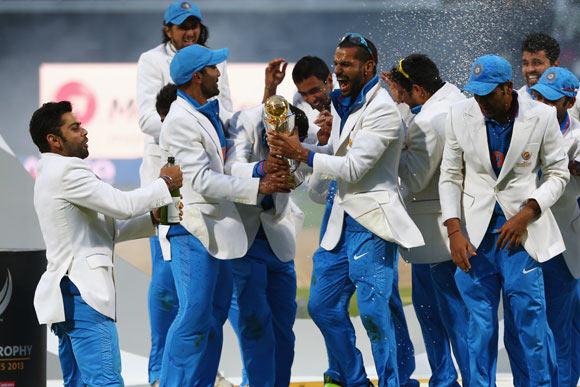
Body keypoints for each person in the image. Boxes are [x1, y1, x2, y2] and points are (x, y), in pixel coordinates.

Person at [267, 33, 424, 386]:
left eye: (346, 64)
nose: (338, 70)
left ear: (368, 66)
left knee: (373, 311)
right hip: (338, 221)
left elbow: (353, 168)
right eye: (336, 63)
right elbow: (332, 164)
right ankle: (354, 378)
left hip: (372, 223)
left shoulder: (383, 110)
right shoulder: (340, 106)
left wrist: (302, 152)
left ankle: (393, 381)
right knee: (322, 307)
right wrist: (310, 147)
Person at [157, 44, 291, 386]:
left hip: (215, 233)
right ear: (197, 76)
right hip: (192, 230)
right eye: (214, 68)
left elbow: (247, 124)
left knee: (212, 317)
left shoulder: (204, 111)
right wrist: (258, 187)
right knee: (194, 317)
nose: (220, 73)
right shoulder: (179, 122)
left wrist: (269, 92)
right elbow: (201, 180)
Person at [30, 101, 182, 386]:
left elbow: (106, 231)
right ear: (54, 140)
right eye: (74, 128)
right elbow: (122, 205)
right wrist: (164, 183)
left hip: (69, 296)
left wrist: (152, 219)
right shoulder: (67, 171)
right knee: (105, 382)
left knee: (81, 383)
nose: (84, 132)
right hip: (83, 295)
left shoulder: (52, 172)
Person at [439, 54, 569, 386]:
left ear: (507, 88)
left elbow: (558, 173)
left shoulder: (540, 116)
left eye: (487, 94)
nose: (480, 101)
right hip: (475, 237)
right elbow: (450, 176)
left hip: (522, 237)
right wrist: (454, 230)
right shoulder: (459, 114)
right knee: (479, 328)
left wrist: (527, 213)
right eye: (476, 93)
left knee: (529, 324)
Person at [135, 2, 232, 384]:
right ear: (167, 30)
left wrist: (196, 129)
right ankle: (161, 371)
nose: (189, 31)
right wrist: (186, 126)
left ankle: (197, 371)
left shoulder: (209, 65)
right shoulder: (150, 61)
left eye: (194, 25)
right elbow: (147, 119)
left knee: (206, 296)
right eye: (181, 26)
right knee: (166, 287)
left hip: (201, 178)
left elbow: (223, 111)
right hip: (166, 185)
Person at [386, 53, 470, 386]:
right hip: (448, 227)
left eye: (404, 93)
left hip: (433, 233)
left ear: (419, 90)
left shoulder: (428, 120)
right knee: (453, 315)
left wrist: (388, 155)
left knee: (441, 315)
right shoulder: (456, 100)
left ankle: (450, 380)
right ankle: (463, 379)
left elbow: (414, 178)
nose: (400, 99)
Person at [503, 67, 580, 387]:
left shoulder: (577, 135)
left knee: (559, 326)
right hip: (525, 235)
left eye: (551, 100)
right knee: (519, 327)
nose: (542, 104)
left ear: (569, 101)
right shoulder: (521, 127)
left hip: (562, 240)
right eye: (537, 97)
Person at [224, 96, 307, 386]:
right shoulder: (243, 123)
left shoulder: (295, 124)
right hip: (243, 239)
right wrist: (261, 170)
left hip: (278, 238)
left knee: (284, 327)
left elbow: (300, 176)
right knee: (255, 324)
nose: (283, 136)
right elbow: (230, 168)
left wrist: (295, 163)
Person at [518, 32, 580, 119]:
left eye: (537, 63)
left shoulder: (575, 96)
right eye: (525, 63)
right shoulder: (516, 101)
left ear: (555, 65)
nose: (530, 69)